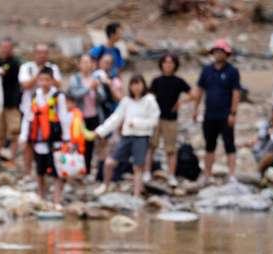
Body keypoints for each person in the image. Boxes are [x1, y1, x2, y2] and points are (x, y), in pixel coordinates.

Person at [94, 74, 160, 197]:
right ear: (130, 86)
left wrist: (136, 123)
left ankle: (136, 194)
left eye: (139, 84)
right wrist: (101, 131)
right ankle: (105, 185)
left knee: (137, 167)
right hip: (127, 136)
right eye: (133, 84)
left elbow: (154, 120)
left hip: (141, 137)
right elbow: (116, 118)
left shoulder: (149, 100)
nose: (136, 87)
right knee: (109, 162)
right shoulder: (126, 101)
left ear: (143, 85)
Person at [192, 39, 241, 185]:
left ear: (226, 54)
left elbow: (236, 92)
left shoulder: (232, 71)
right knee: (209, 145)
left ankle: (232, 174)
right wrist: (195, 109)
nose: (218, 54)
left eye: (221, 51)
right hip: (209, 114)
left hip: (225, 114)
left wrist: (233, 113)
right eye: (216, 51)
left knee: (229, 145)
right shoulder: (206, 70)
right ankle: (207, 174)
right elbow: (200, 90)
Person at [19, 67, 70, 204]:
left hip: (55, 139)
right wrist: (24, 136)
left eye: (47, 80)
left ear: (52, 81)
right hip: (39, 139)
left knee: (56, 169)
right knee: (40, 169)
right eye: (41, 80)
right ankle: (42, 195)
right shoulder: (35, 96)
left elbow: (64, 118)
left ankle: (57, 197)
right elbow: (28, 117)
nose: (44, 83)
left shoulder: (58, 96)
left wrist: (67, 138)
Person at [147, 53, 191, 187]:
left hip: (171, 119)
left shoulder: (178, 81)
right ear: (161, 64)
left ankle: (171, 175)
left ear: (175, 65)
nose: (168, 65)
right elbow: (149, 98)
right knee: (151, 146)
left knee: (171, 148)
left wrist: (181, 102)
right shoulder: (156, 81)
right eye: (165, 62)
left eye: (171, 62)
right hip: (155, 118)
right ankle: (146, 172)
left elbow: (193, 93)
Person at [18, 44, 62, 175]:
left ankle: (48, 168)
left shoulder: (53, 68)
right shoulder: (27, 67)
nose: (42, 56)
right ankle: (28, 170)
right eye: (39, 53)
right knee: (29, 141)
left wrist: (47, 76)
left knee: (48, 140)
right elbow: (25, 84)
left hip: (50, 112)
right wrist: (40, 74)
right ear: (34, 53)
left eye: (45, 53)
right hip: (29, 110)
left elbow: (59, 84)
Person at [67, 54, 102, 174]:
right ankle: (75, 167)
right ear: (79, 65)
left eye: (89, 62)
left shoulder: (95, 78)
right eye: (84, 62)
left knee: (91, 144)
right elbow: (73, 94)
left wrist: (96, 90)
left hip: (94, 115)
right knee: (78, 142)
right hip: (79, 117)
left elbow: (102, 98)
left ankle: (86, 169)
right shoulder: (75, 79)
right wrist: (89, 88)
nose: (87, 65)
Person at [0, 38, 22, 163]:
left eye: (7, 47)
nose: (5, 50)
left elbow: (10, 77)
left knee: (14, 132)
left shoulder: (15, 63)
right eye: (3, 47)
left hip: (12, 103)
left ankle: (13, 158)